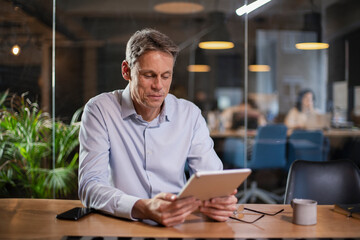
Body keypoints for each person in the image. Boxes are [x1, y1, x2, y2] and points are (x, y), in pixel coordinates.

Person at [78, 28, 237, 227]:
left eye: (165, 76)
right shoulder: (100, 109)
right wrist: (144, 207)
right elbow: (90, 186)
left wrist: (220, 201)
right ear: (126, 71)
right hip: (123, 225)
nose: (159, 86)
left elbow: (212, 179)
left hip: (179, 223)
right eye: (149, 75)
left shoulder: (189, 114)